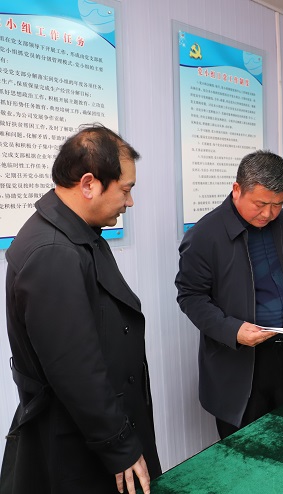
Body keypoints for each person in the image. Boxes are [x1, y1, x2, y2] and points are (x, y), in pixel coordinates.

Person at [2, 125, 161, 493]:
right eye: (126, 190)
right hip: (78, 442)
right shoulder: (52, 253)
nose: (130, 202)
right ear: (89, 184)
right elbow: (75, 369)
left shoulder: (76, 233)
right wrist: (119, 445)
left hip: (91, 428)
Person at [175, 150, 283, 440]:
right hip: (239, 362)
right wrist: (232, 330)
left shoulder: (281, 220)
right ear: (237, 189)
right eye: (260, 204)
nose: (268, 214)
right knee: (246, 448)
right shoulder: (205, 234)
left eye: (277, 204)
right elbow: (190, 296)